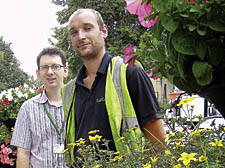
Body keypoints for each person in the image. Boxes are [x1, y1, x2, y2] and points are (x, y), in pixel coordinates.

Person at [63, 8, 166, 164]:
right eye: (74, 32)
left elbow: (157, 141)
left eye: (87, 28)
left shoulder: (129, 72)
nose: (81, 36)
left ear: (104, 31)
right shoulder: (70, 91)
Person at [11, 47, 68, 168]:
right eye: (44, 67)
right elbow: (23, 153)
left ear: (65, 70)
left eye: (56, 66)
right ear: (38, 73)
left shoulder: (78, 104)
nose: (50, 72)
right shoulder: (28, 108)